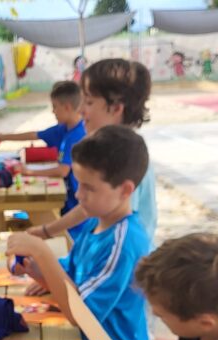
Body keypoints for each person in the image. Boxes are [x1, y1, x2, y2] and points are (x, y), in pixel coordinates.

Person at [7, 126, 152, 340]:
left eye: (89, 187)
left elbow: (81, 313)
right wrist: (38, 269)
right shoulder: (96, 222)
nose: (78, 194)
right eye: (77, 182)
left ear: (125, 190)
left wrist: (41, 252)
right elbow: (72, 274)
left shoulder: (124, 242)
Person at [27, 59, 156, 245]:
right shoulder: (108, 148)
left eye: (88, 102)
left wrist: (47, 233)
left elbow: (116, 235)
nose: (80, 110)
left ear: (116, 108)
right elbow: (88, 206)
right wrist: (47, 231)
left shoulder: (126, 159)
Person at [0, 81, 86, 238]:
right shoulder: (64, 128)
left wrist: (28, 171)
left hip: (77, 205)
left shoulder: (77, 135)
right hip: (69, 199)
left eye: (55, 107)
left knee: (65, 238)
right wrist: (3, 137)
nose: (53, 112)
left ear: (67, 107)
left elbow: (63, 171)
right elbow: (35, 134)